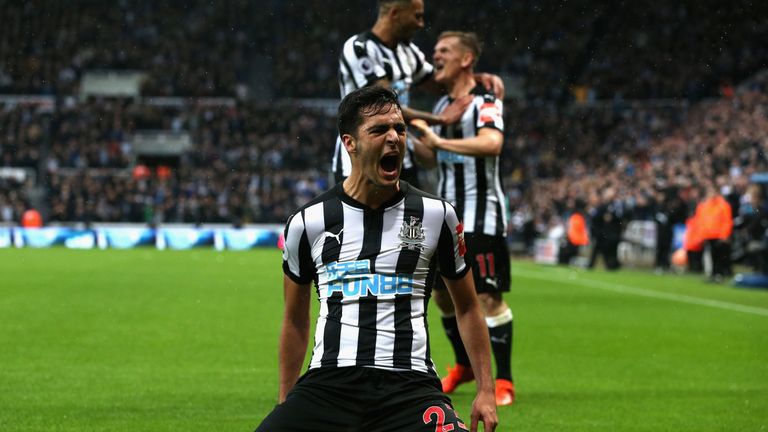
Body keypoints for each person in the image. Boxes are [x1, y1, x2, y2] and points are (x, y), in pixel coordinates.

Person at [255, 86, 498, 432]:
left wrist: (486, 390)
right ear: (349, 143)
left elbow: (469, 307)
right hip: (329, 386)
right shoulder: (307, 222)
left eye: (399, 128)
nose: (395, 138)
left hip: (411, 389)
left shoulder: (437, 215)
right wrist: (286, 400)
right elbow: (295, 319)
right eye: (379, 130)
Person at [409, 31, 515, 406]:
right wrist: (420, 141)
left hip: (482, 213)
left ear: (466, 59)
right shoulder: (440, 104)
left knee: (487, 297)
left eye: (443, 51)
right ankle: (463, 365)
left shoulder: (486, 100)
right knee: (441, 295)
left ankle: (503, 380)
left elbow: (492, 143)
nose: (434, 56)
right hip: (447, 214)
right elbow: (430, 159)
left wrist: (440, 142)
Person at [333, 0, 504, 186]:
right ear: (395, 13)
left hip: (400, 158)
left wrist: (476, 78)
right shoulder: (360, 48)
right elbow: (384, 107)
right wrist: (440, 119)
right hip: (361, 158)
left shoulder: (408, 52)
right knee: (364, 215)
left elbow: (440, 84)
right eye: (417, 16)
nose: (421, 24)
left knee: (408, 214)